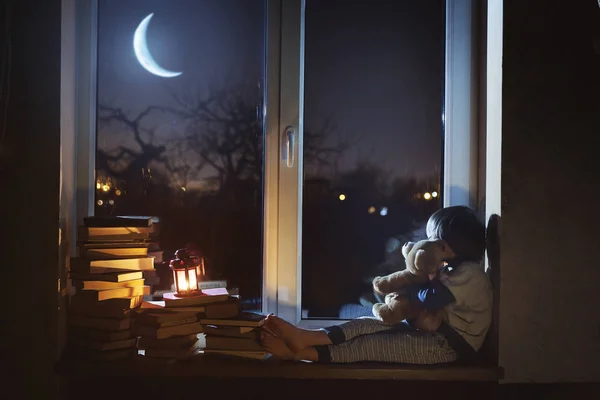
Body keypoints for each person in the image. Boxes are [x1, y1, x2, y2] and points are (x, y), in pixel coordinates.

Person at [260, 205, 493, 364]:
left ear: (457, 244)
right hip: (437, 332)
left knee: (370, 346)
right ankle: (304, 337)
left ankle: (301, 355)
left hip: (450, 348)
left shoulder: (470, 274)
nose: (430, 246)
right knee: (364, 325)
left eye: (437, 243)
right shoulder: (450, 269)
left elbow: (430, 298)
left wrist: (418, 283)